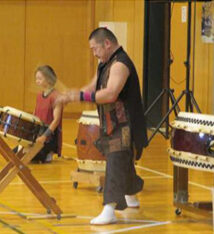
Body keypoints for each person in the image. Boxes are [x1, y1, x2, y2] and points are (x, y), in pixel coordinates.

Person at [57, 27, 148, 225]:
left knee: (116, 161)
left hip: (126, 124)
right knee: (122, 161)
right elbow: (93, 87)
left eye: (94, 48)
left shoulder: (120, 64)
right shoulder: (105, 64)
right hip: (112, 121)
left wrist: (79, 97)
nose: (94, 53)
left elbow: (110, 93)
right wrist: (70, 96)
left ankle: (109, 209)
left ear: (107, 43)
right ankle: (131, 192)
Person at [13, 65, 63, 163]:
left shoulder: (57, 97)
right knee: (15, 154)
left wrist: (44, 136)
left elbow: (56, 120)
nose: (37, 81)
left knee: (27, 158)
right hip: (37, 135)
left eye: (39, 78)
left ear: (49, 79)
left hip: (48, 137)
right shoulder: (39, 95)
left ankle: (48, 152)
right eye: (36, 78)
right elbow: (35, 115)